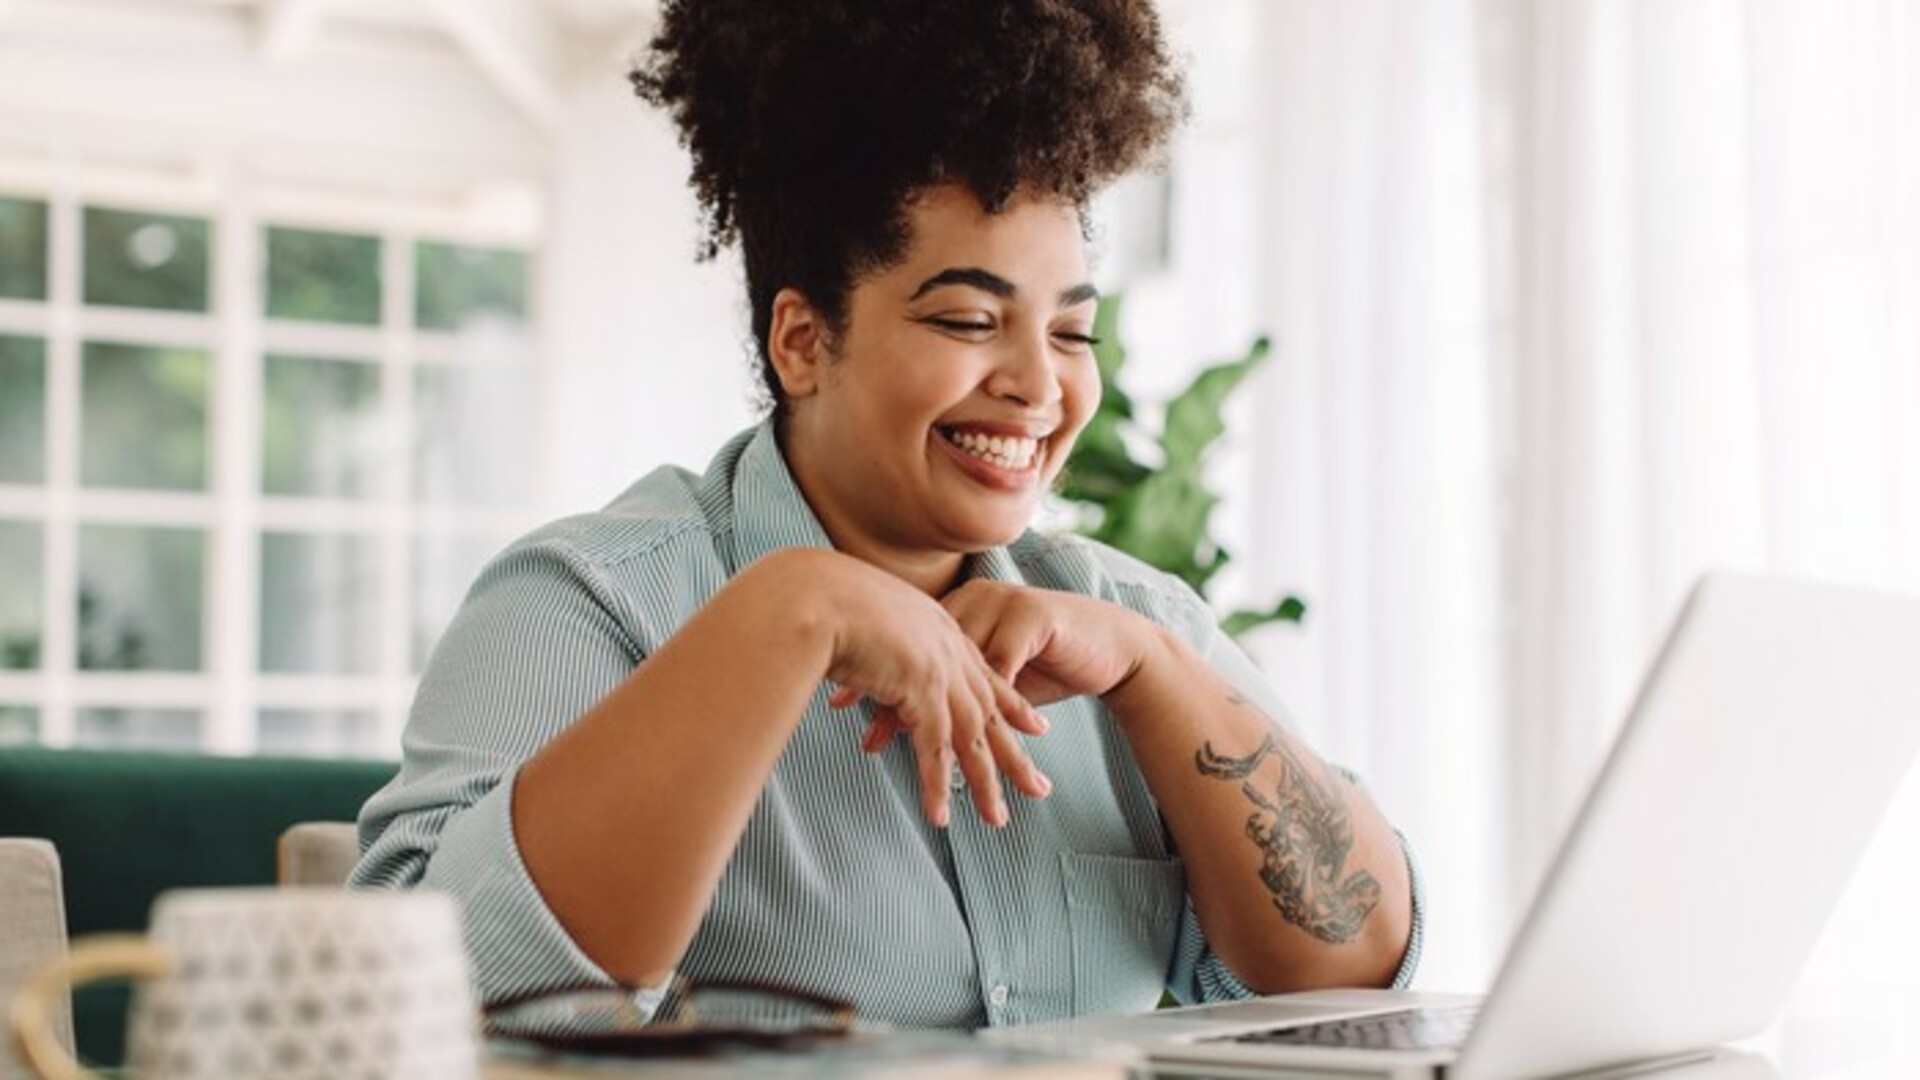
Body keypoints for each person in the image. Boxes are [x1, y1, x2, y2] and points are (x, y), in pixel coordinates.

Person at [352, 0, 1421, 1029]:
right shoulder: (588, 604)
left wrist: (1157, 678)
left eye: (1071, 334)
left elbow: (1355, 977)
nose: (1038, 386)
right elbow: (415, 1007)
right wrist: (788, 613)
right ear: (803, 342)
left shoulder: (1130, 624)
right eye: (968, 319)